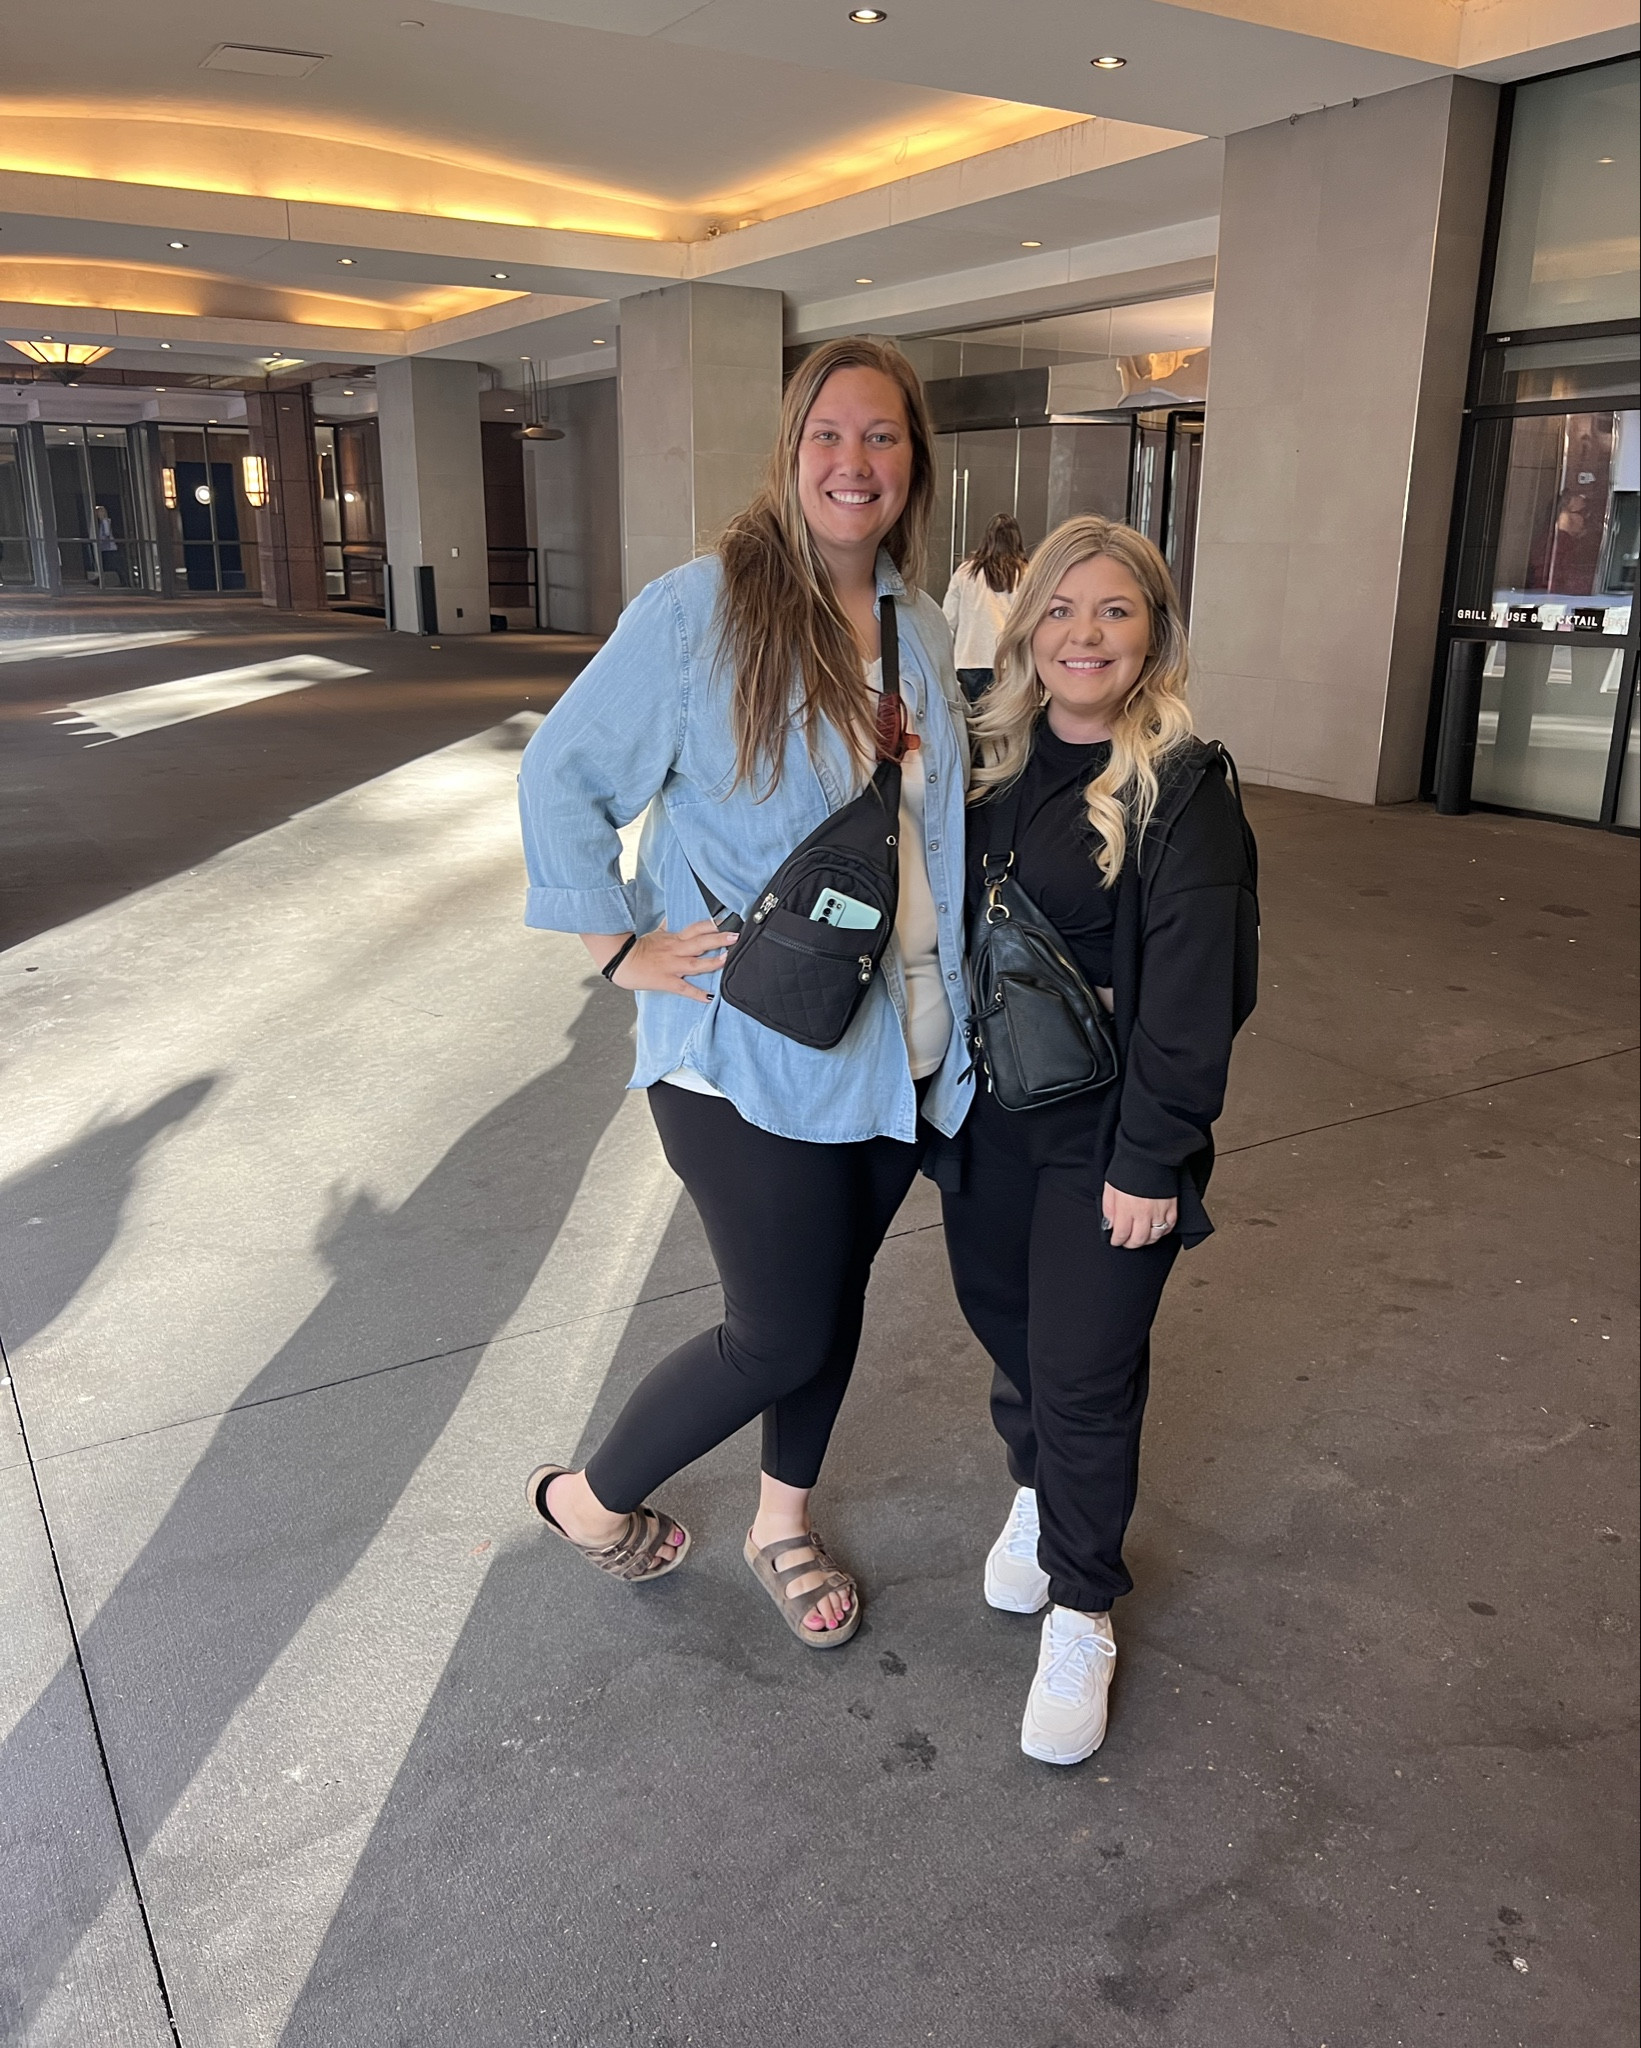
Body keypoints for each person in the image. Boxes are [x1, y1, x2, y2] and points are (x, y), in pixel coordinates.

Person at [517, 336, 972, 1647]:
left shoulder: (922, 627)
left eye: (881, 436)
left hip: (901, 1039)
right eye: (828, 433)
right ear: (789, 452)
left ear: (913, 461)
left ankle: (783, 1519)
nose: (853, 461)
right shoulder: (701, 610)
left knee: (832, 1299)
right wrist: (617, 948)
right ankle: (585, 1500)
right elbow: (560, 774)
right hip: (743, 1045)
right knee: (776, 1331)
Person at [937, 514, 1257, 1762]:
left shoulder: (1184, 786)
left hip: (1107, 1136)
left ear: (1154, 633)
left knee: (1082, 1368)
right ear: (1025, 631)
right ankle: (1036, 1487)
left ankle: (1082, 1606)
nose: (1085, 634)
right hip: (986, 1120)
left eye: (1115, 610)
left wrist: (1152, 1155)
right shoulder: (988, 763)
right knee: (1010, 1331)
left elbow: (1194, 995)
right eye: (1061, 610)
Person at [942, 511, 1028, 701]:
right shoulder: (1026, 574)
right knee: (1004, 716)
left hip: (970, 658)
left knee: (974, 714)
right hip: (1009, 661)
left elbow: (947, 620)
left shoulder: (965, 572)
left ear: (987, 538)